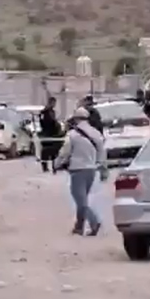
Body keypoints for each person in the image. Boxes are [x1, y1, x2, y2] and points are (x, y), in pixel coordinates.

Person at [54, 107, 106, 237]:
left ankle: (94, 222)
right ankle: (79, 227)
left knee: (80, 201)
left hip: (77, 170)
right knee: (82, 200)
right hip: (91, 170)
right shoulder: (95, 133)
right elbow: (102, 151)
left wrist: (57, 163)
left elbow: (65, 152)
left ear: (76, 119)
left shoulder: (72, 135)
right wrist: (100, 165)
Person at [39, 97, 62, 173]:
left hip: (53, 133)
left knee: (53, 151)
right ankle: (45, 167)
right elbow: (44, 123)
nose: (54, 104)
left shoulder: (51, 112)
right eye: (53, 103)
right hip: (48, 133)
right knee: (46, 151)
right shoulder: (45, 112)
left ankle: (53, 166)